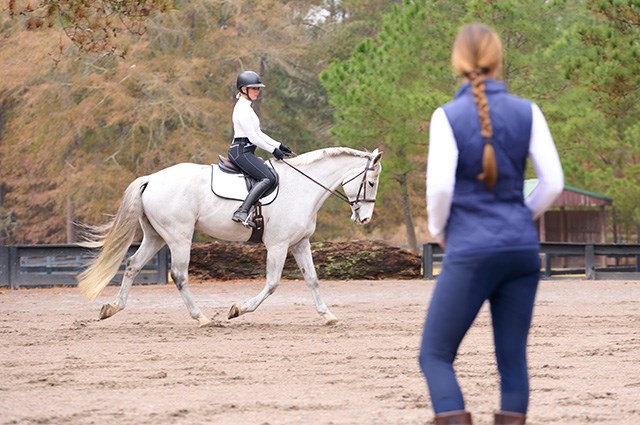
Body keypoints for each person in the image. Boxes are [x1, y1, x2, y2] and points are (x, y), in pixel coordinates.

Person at [419, 24, 564, 425]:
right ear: (498, 60)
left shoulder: (446, 116)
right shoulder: (528, 111)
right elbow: (553, 183)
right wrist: (521, 217)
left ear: (458, 62)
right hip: (520, 251)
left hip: (469, 247)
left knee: (435, 355)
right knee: (512, 360)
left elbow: (440, 189)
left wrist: (441, 231)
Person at [229, 70, 292, 228]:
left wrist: (279, 145)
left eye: (258, 89)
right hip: (240, 151)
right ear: (244, 89)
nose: (257, 92)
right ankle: (242, 211)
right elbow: (253, 138)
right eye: (254, 88)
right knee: (268, 178)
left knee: (273, 177)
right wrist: (273, 151)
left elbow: (259, 133)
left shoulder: (248, 108)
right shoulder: (242, 110)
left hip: (247, 150)